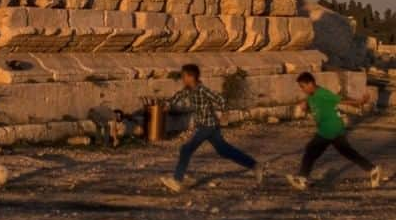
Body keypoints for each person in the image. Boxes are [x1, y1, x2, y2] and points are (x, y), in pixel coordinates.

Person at [160, 63, 264, 192]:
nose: (182, 79)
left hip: (207, 126)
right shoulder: (188, 90)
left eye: (184, 76)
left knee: (186, 149)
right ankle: (255, 165)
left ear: (191, 77)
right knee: (224, 150)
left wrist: (225, 114)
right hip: (209, 126)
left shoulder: (203, 90)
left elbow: (220, 99)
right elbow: (178, 96)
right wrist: (167, 105)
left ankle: (177, 180)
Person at [286, 72, 382, 190]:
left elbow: (341, 100)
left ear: (310, 83)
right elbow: (315, 109)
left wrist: (359, 102)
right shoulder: (310, 96)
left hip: (329, 129)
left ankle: (302, 178)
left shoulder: (323, 93)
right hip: (332, 129)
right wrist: (305, 108)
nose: (302, 90)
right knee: (348, 152)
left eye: (303, 86)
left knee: (310, 151)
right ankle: (372, 169)